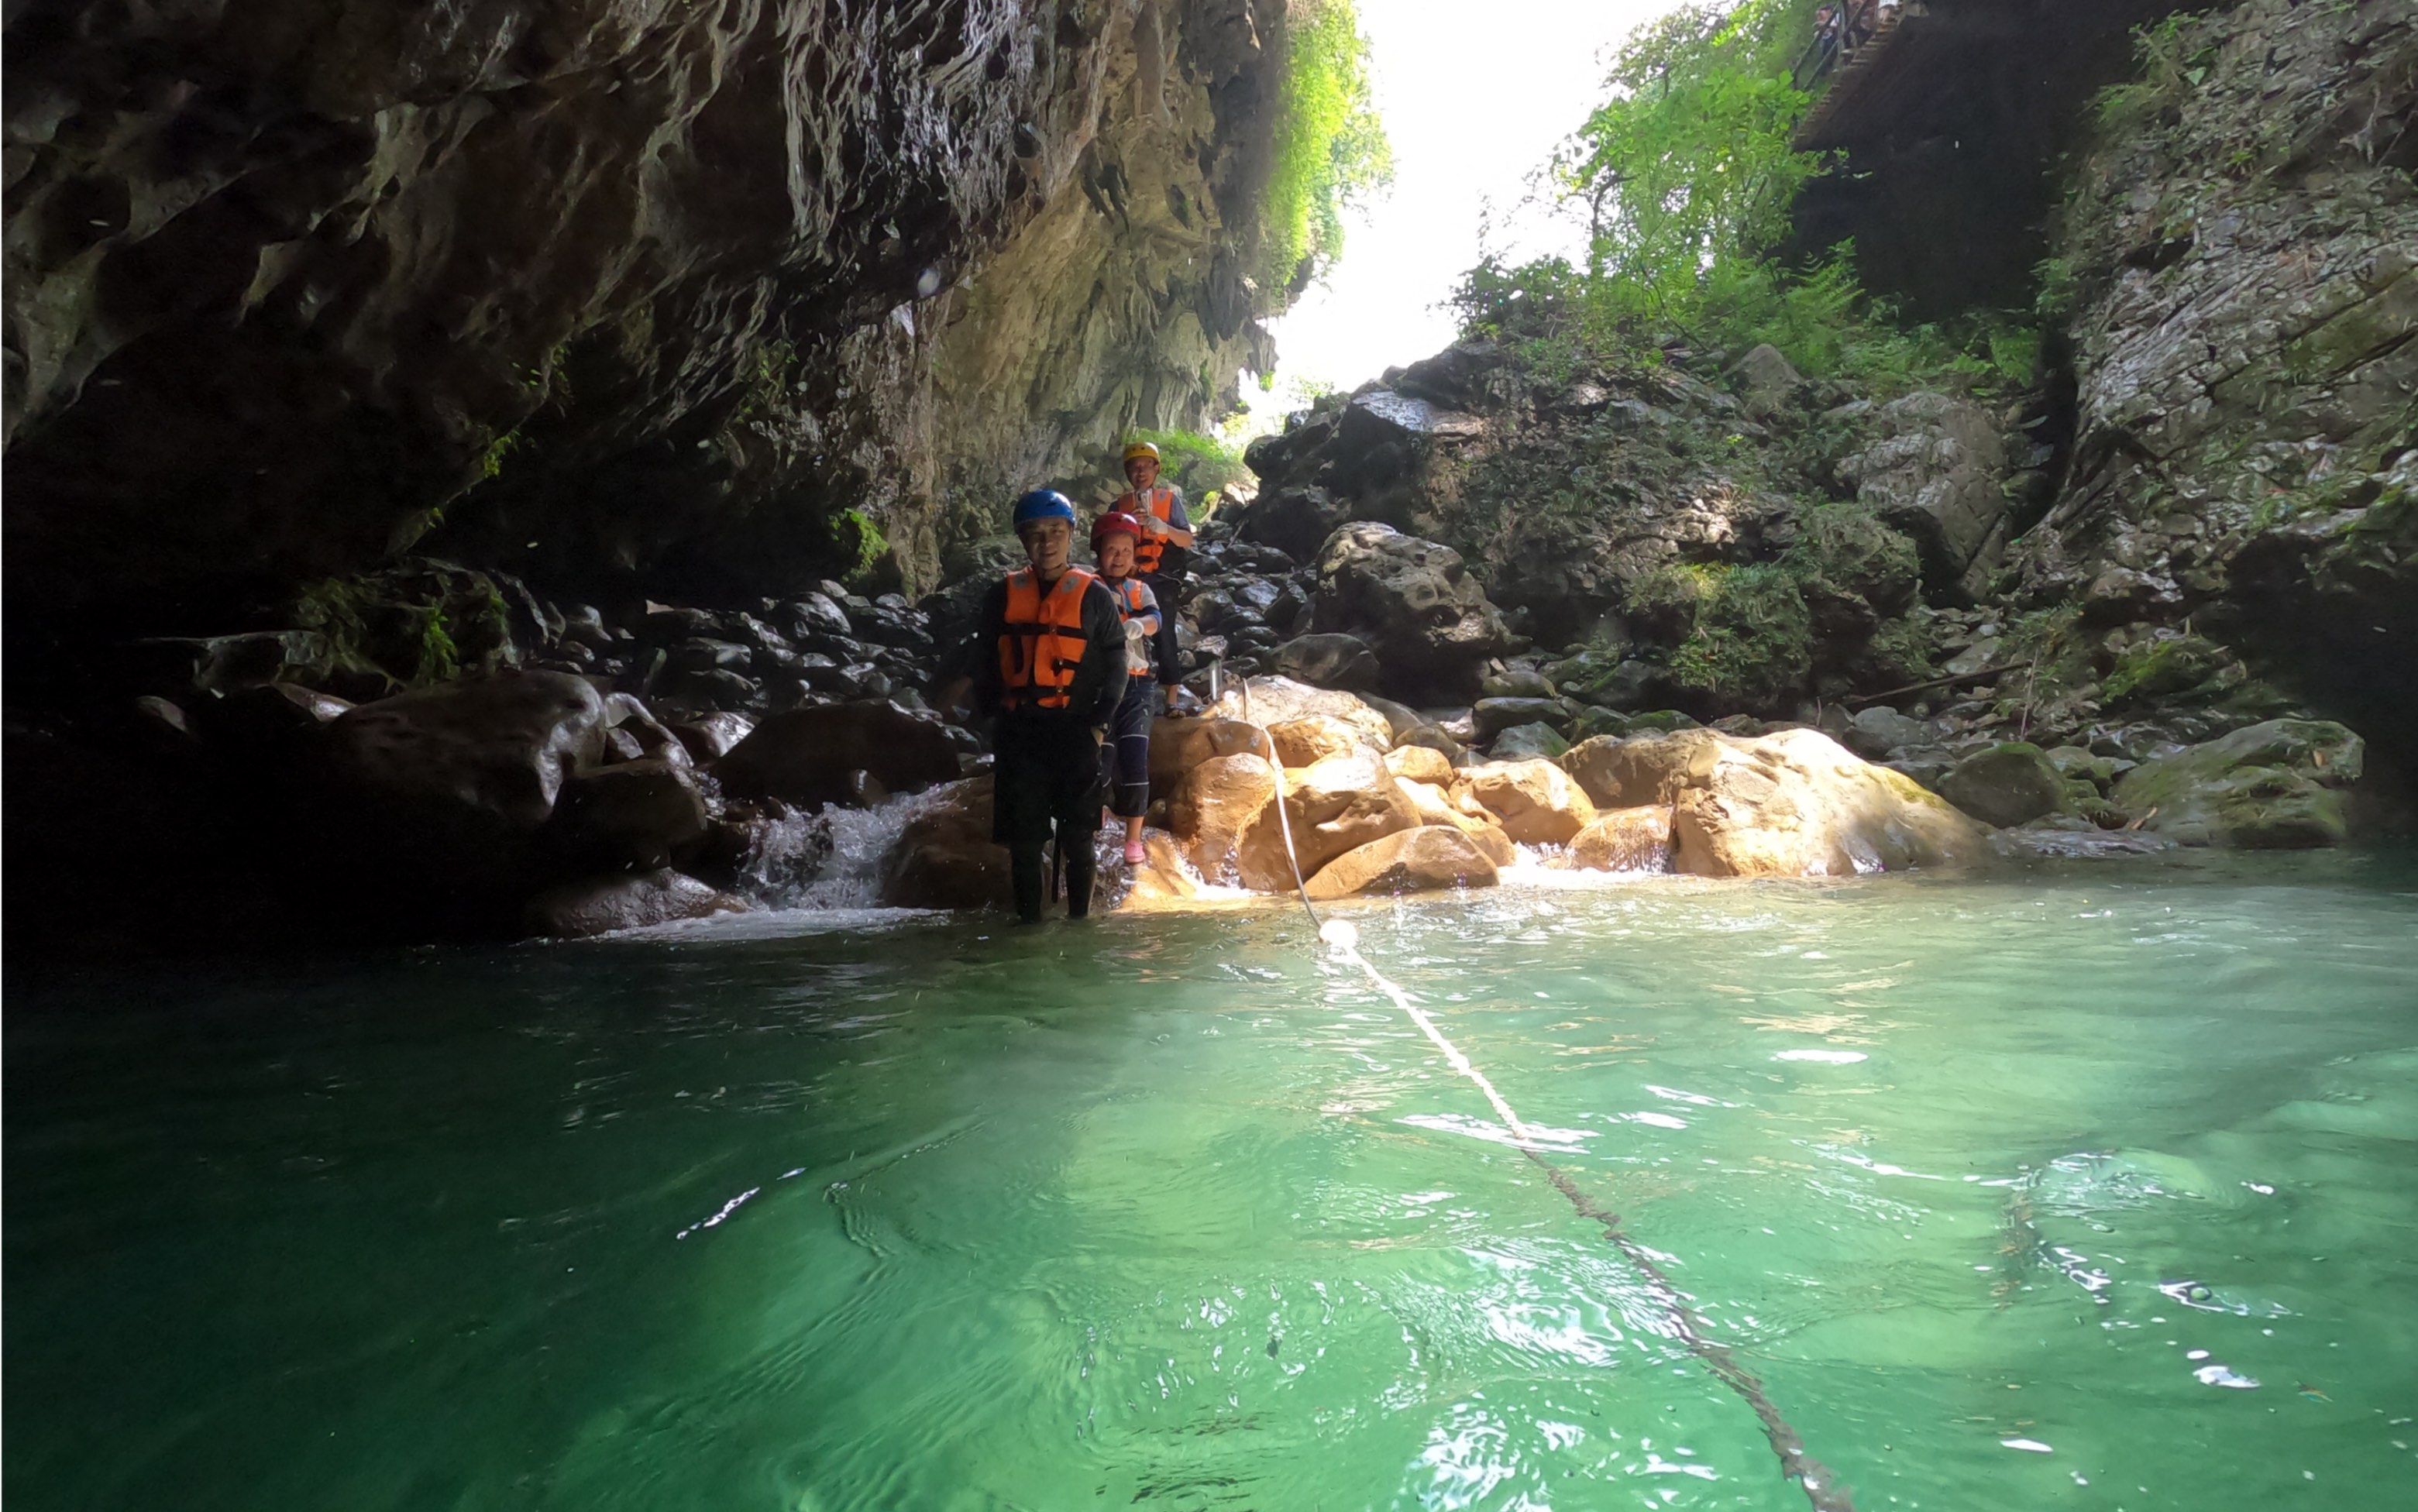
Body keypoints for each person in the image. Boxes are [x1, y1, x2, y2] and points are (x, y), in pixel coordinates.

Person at [937, 490, 1129, 922]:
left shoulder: (1094, 597)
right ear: (1023, 540)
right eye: (1036, 535)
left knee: (1079, 836)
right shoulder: (1002, 595)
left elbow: (1117, 660)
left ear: (1071, 535)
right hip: (1019, 731)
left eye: (1056, 533)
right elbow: (984, 657)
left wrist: (1101, 721)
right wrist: (984, 714)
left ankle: (1079, 923)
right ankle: (1029, 927)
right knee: (1025, 842)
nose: (1047, 543)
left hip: (1076, 728)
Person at [1088, 510, 1184, 865]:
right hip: (1100, 685)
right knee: (1101, 759)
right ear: (1099, 553)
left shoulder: (1140, 589)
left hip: (1138, 685)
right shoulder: (1087, 586)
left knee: (1135, 761)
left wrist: (1140, 625)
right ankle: (1094, 820)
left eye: (1126, 551)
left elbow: (1157, 619)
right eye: (1112, 550)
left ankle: (1133, 839)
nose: (1119, 557)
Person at [1112, 441, 1195, 587]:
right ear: (1127, 471)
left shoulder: (1170, 501)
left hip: (1165, 577)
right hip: (1127, 578)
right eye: (1135, 467)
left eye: (1146, 466)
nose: (1141, 472)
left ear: (1156, 468)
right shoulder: (1117, 506)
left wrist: (1165, 529)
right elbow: (1106, 548)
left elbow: (1187, 541)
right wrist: (1127, 527)